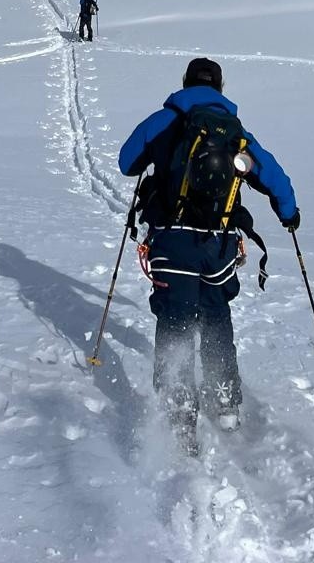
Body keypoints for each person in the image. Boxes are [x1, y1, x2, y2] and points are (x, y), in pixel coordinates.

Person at [118, 56, 298, 452]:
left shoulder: (164, 120)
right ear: (220, 87)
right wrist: (290, 213)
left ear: (184, 83)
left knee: (176, 321)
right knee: (216, 316)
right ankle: (226, 402)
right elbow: (274, 177)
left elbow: (126, 162)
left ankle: (179, 412)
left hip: (172, 241)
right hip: (218, 245)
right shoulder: (236, 132)